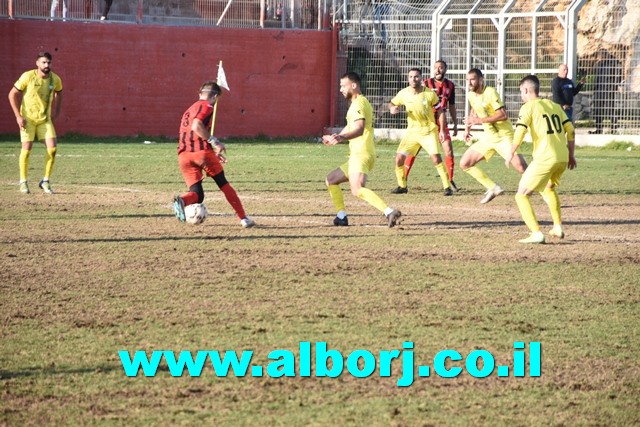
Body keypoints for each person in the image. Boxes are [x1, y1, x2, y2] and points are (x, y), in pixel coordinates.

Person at [323, 72, 402, 228]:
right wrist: (336, 136)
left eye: (343, 86)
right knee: (331, 179)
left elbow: (359, 129)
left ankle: (388, 211)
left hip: (361, 153)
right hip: (358, 155)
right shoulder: (356, 104)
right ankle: (341, 216)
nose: (341, 89)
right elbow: (351, 127)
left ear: (353, 85)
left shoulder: (359, 103)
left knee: (357, 189)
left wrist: (341, 138)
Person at [172, 81, 255, 228]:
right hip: (201, 154)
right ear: (215, 96)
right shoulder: (207, 106)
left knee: (198, 194)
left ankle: (182, 201)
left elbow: (192, 133)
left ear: (200, 94)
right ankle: (243, 218)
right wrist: (214, 141)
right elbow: (196, 126)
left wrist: (211, 152)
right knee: (223, 184)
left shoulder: (189, 109)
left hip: (184, 155)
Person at [506, 75, 576, 243]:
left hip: (545, 157)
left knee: (521, 195)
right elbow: (571, 130)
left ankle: (536, 233)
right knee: (549, 188)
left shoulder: (528, 107)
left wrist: (511, 152)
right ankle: (557, 226)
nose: (521, 96)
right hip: (561, 158)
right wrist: (571, 155)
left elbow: (520, 131)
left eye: (521, 92)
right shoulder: (554, 105)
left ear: (526, 90)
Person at [460, 68, 527, 204]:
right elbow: (474, 109)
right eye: (467, 80)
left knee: (522, 168)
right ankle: (493, 188)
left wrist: (478, 121)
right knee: (465, 164)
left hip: (504, 137)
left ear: (480, 79)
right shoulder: (471, 95)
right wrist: (467, 129)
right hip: (489, 138)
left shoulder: (490, 92)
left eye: (472, 79)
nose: (469, 83)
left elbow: (503, 115)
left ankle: (547, 189)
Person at [388, 67, 452, 196]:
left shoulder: (429, 94)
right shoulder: (403, 93)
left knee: (436, 159)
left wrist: (442, 130)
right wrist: (392, 108)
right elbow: (392, 103)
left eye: (416, 76)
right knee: (399, 159)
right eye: (411, 77)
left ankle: (447, 187)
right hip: (412, 132)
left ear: (421, 78)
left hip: (428, 131)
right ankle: (402, 186)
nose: (413, 79)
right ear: (408, 78)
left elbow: (440, 111)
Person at [8, 51, 63, 195]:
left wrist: (56, 112)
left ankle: (45, 181)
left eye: (49, 62)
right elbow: (12, 94)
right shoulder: (28, 76)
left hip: (45, 120)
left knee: (52, 148)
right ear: (37, 63)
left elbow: (59, 92)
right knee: (27, 149)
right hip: (28, 120)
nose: (46, 65)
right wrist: (18, 116)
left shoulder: (55, 79)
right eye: (43, 62)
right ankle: (23, 182)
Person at [424, 59, 459, 192]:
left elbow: (452, 106)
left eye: (441, 67)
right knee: (413, 150)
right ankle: (403, 182)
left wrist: (455, 123)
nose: (438, 70)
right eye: (436, 67)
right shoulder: (426, 84)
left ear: (445, 69)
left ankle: (450, 180)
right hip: (426, 123)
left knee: (448, 150)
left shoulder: (450, 85)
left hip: (441, 121)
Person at [590, 50, 623, 134]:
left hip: (608, 90)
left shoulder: (612, 63)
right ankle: (599, 129)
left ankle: (613, 129)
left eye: (600, 55)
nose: (599, 57)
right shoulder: (599, 64)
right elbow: (596, 76)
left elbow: (618, 75)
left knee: (610, 110)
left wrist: (615, 86)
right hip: (599, 90)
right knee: (598, 110)